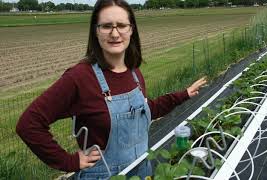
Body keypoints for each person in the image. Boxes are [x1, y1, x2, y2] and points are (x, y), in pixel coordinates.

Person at [16, 0, 207, 179]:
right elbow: (29, 124)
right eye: (107, 26)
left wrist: (183, 95)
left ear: (131, 30)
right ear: (96, 31)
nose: (115, 34)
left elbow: (145, 111)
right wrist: (69, 161)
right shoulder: (80, 77)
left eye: (122, 25)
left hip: (142, 169)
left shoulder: (134, 73)